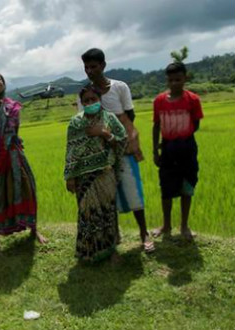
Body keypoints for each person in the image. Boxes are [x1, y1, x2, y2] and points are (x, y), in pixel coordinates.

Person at [79, 48, 154, 253]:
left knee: (133, 190)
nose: (89, 71)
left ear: (103, 65)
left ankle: (144, 233)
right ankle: (115, 234)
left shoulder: (120, 87)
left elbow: (129, 115)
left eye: (93, 66)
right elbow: (85, 124)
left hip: (123, 148)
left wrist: (125, 140)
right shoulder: (86, 94)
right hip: (101, 154)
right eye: (86, 67)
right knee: (109, 196)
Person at [0, 67, 47, 253]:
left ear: (5, 85)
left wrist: (10, 148)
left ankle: (34, 230)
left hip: (13, 153)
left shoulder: (13, 106)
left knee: (27, 187)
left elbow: (15, 131)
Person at [65, 86, 127, 262]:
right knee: (87, 214)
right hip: (84, 178)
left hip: (105, 174)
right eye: (86, 101)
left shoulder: (110, 119)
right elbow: (71, 152)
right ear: (82, 103)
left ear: (100, 99)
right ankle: (89, 252)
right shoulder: (76, 123)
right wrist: (70, 177)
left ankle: (111, 250)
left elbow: (122, 141)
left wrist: (105, 134)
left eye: (93, 99)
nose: (90, 103)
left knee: (108, 212)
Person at [152, 62, 203, 240]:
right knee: (166, 188)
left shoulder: (193, 100)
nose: (174, 83)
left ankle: (184, 226)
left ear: (185, 78)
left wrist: (181, 137)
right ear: (167, 80)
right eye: (171, 80)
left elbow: (195, 124)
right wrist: (155, 151)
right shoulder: (159, 101)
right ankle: (166, 226)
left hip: (187, 148)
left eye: (178, 79)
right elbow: (156, 126)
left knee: (187, 187)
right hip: (167, 149)